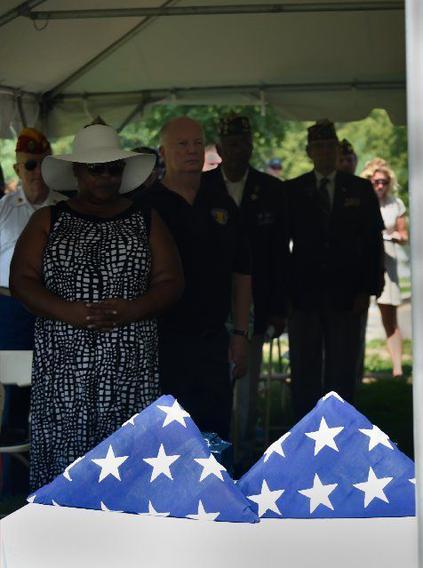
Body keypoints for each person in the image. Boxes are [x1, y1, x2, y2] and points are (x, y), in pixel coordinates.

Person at [10, 123, 183, 489]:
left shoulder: (146, 219)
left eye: (114, 168)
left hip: (129, 367)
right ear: (76, 170)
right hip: (63, 370)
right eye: (95, 168)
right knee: (65, 466)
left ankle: (126, 535)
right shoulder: (48, 219)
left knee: (126, 464)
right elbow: (22, 281)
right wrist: (66, 311)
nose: (106, 176)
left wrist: (133, 309)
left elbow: (171, 282)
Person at [134, 116, 252, 442]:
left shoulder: (222, 204)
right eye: (182, 144)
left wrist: (241, 333)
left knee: (215, 435)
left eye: (197, 143)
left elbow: (242, 272)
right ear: (163, 152)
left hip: (214, 342)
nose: (191, 151)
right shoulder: (145, 207)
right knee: (167, 441)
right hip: (161, 344)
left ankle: (217, 493)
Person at [203, 114, 288, 465]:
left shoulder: (271, 190)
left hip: (256, 302)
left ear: (252, 146)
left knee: (247, 388)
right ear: (220, 148)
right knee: (211, 384)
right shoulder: (203, 186)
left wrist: (280, 308)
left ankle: (244, 455)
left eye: (244, 142)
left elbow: (281, 253)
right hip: (208, 304)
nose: (238, 149)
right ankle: (214, 453)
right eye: (231, 142)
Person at [286, 120, 384, 417]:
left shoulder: (359, 188)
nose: (325, 152)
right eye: (319, 147)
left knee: (343, 367)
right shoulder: (293, 189)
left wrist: (368, 288)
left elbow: (372, 241)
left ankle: (344, 427)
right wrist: (285, 292)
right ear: (309, 152)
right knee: (304, 367)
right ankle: (303, 430)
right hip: (304, 295)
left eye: (330, 146)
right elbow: (279, 244)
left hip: (346, 292)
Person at [0, 128, 67, 445]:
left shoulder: (67, 209)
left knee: (55, 381)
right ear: (16, 169)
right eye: (29, 165)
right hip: (11, 308)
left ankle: (51, 451)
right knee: (15, 386)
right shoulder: (3, 209)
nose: (37, 172)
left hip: (53, 306)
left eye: (43, 164)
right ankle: (14, 475)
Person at [361, 158, 408, 378]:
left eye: (384, 181)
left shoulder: (395, 204)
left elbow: (403, 234)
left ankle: (397, 368)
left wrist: (393, 236)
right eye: (375, 181)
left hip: (387, 263)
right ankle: (355, 366)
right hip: (362, 263)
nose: (380, 185)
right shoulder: (359, 201)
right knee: (355, 316)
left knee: (389, 317)